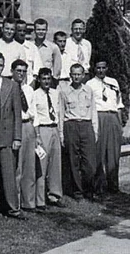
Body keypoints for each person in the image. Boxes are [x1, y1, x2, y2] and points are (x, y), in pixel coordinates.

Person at [0, 53, 24, 220]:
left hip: (7, 135)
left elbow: (17, 113)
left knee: (9, 175)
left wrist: (17, 137)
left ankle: (13, 208)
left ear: (3, 67)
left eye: (0, 65)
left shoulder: (12, 85)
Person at [58, 63, 98, 201]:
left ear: (83, 75)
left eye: (79, 74)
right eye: (73, 74)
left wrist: (95, 131)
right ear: (70, 75)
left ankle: (88, 189)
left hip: (86, 126)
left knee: (90, 163)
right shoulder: (64, 91)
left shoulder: (89, 90)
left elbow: (93, 111)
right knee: (72, 160)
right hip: (71, 125)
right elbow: (61, 114)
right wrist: (62, 134)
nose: (76, 77)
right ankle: (78, 192)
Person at [87, 59, 124, 195]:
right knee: (99, 152)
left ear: (107, 68)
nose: (101, 70)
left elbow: (119, 104)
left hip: (112, 117)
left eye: (103, 68)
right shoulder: (90, 84)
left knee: (113, 153)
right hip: (99, 117)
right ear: (94, 69)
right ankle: (99, 186)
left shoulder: (113, 82)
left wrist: (119, 124)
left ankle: (113, 186)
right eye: (98, 68)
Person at [32, 68, 65, 210]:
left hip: (54, 128)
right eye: (43, 79)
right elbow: (34, 116)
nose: (46, 81)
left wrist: (60, 133)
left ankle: (54, 195)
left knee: (56, 164)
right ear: (39, 79)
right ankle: (40, 200)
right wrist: (37, 135)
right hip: (42, 129)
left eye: (48, 78)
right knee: (41, 165)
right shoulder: (35, 95)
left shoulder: (56, 93)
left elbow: (60, 114)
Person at [11, 60, 37, 211]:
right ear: (12, 71)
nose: (21, 74)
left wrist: (35, 131)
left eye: (23, 71)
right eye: (18, 70)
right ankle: (16, 202)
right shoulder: (9, 87)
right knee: (17, 167)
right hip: (16, 126)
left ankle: (29, 202)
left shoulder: (29, 90)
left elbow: (33, 111)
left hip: (28, 125)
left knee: (29, 166)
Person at [14, 20, 43, 86]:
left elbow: (38, 68)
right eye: (19, 30)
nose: (22, 33)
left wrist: (33, 82)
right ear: (15, 31)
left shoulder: (32, 47)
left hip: (28, 84)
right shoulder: (11, 46)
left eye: (24, 31)